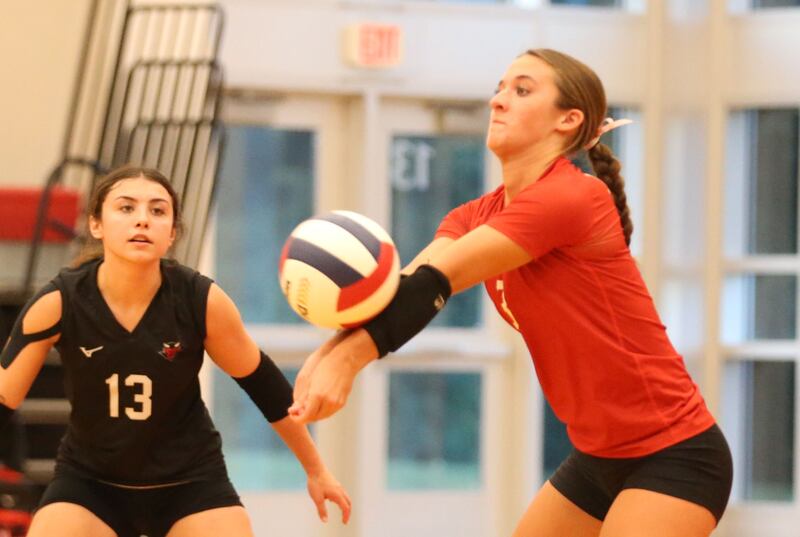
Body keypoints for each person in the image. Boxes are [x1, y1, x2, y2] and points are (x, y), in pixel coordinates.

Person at [288, 49, 733, 536]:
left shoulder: (575, 197)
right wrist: (328, 352)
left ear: (569, 120)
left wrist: (348, 363)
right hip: (595, 457)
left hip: (675, 454)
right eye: (499, 88)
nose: (499, 101)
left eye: (521, 90)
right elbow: (405, 291)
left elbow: (441, 282)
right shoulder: (471, 216)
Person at [0, 165, 351, 537]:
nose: (142, 220)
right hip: (90, 486)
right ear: (96, 224)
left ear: (172, 234)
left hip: (191, 484)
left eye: (157, 210)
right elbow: (6, 397)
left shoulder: (200, 300)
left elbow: (265, 386)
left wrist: (316, 470)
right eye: (126, 208)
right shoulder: (60, 300)